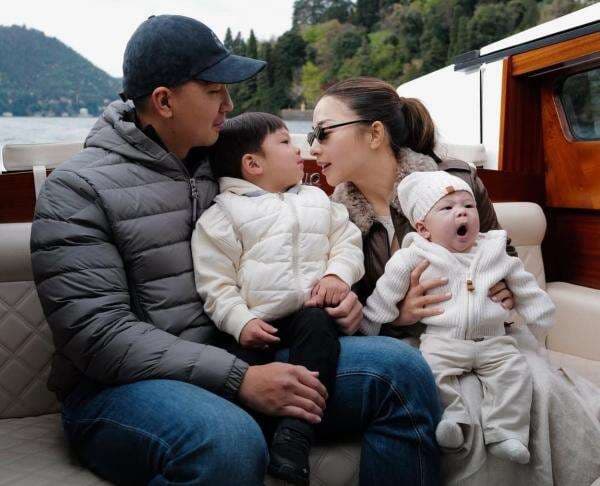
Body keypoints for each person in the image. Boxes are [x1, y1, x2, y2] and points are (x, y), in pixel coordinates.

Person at [30, 17, 442, 486]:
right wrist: (238, 379)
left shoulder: (226, 167)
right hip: (124, 388)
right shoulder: (78, 190)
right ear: (164, 101)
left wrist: (342, 296)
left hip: (244, 353)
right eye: (214, 91)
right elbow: (99, 337)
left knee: (402, 372)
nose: (229, 104)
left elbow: (299, 240)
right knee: (228, 443)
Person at [309, 76, 600, 485]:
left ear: (374, 134)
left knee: (537, 388)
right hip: (406, 343)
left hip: (486, 330)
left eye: (322, 132)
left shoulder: (455, 181)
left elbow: (501, 253)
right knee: (451, 403)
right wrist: (401, 315)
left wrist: (499, 291)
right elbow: (358, 314)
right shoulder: (331, 216)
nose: (313, 147)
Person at [191, 112, 365, 484]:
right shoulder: (223, 215)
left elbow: (347, 242)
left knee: (318, 328)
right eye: (285, 142)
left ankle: (296, 431)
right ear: (253, 164)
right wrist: (241, 322)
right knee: (236, 367)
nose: (299, 149)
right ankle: (258, 440)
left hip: (309, 315)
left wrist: (337, 275)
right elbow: (215, 283)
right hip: (255, 325)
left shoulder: (317, 199)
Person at [362, 171, 555, 464]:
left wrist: (539, 312)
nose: (462, 212)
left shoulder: (493, 251)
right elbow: (385, 293)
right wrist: (369, 324)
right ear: (423, 228)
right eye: (447, 208)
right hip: (443, 340)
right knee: (429, 373)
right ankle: (451, 419)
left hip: (494, 340)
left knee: (515, 374)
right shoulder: (414, 255)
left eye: (468, 205)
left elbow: (523, 283)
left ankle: (506, 433)